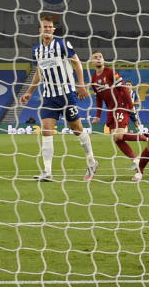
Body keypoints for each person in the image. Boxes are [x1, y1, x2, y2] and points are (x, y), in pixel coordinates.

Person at [19, 16, 99, 181]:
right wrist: (29, 92)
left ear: (53, 29)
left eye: (50, 27)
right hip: (49, 97)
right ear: (40, 30)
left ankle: (91, 161)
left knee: (77, 128)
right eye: (44, 27)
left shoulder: (62, 44)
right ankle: (47, 171)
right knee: (46, 130)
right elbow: (39, 72)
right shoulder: (37, 50)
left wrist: (81, 85)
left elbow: (77, 63)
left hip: (66, 94)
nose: (47, 29)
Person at [89, 52, 147, 171]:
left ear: (104, 60)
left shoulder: (110, 72)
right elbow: (99, 98)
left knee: (119, 135)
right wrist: (98, 116)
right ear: (92, 62)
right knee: (116, 138)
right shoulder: (93, 79)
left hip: (121, 104)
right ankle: (135, 161)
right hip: (111, 109)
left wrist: (130, 106)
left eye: (100, 57)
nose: (98, 59)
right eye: (95, 57)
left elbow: (124, 89)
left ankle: (146, 138)